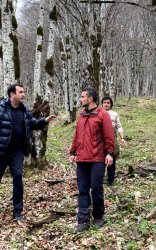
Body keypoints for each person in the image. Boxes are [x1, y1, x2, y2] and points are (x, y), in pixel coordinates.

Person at [0, 84, 56, 227]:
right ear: (11, 94)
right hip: (0, 152)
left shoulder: (24, 110)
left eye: (24, 92)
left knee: (18, 179)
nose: (23, 94)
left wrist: (44, 121)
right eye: (21, 92)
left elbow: (32, 124)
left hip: (17, 152)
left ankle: (18, 212)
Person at [69, 87, 115, 233]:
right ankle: (82, 220)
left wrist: (110, 153)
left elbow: (109, 135)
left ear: (90, 99)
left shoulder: (102, 114)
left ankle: (98, 216)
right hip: (82, 158)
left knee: (96, 188)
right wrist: (72, 152)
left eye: (83, 97)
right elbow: (77, 135)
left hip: (97, 158)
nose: (81, 99)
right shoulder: (82, 115)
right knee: (82, 190)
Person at [101, 96, 127, 186]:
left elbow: (119, 127)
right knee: (100, 158)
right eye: (104, 102)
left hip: (112, 137)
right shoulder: (98, 113)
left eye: (108, 103)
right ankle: (99, 178)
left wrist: (122, 138)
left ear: (111, 104)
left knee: (112, 155)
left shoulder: (114, 114)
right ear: (102, 104)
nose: (106, 104)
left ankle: (110, 180)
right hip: (100, 138)